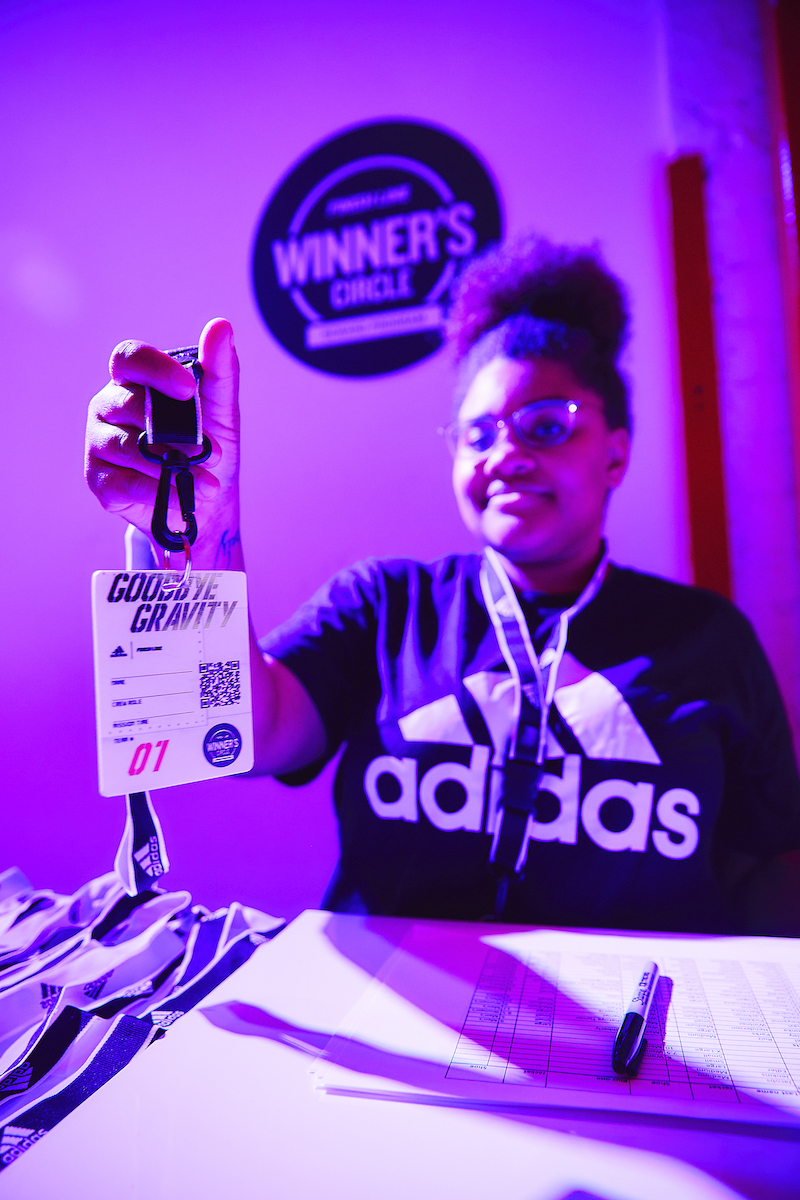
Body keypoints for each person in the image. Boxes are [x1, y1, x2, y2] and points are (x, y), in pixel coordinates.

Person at [86, 233, 800, 934]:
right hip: (390, 1027)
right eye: (478, 433)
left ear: (616, 453)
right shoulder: (384, 607)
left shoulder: (711, 640)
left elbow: (766, 869)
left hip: (626, 1040)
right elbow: (242, 730)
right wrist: (205, 540)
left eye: (546, 426)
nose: (507, 455)